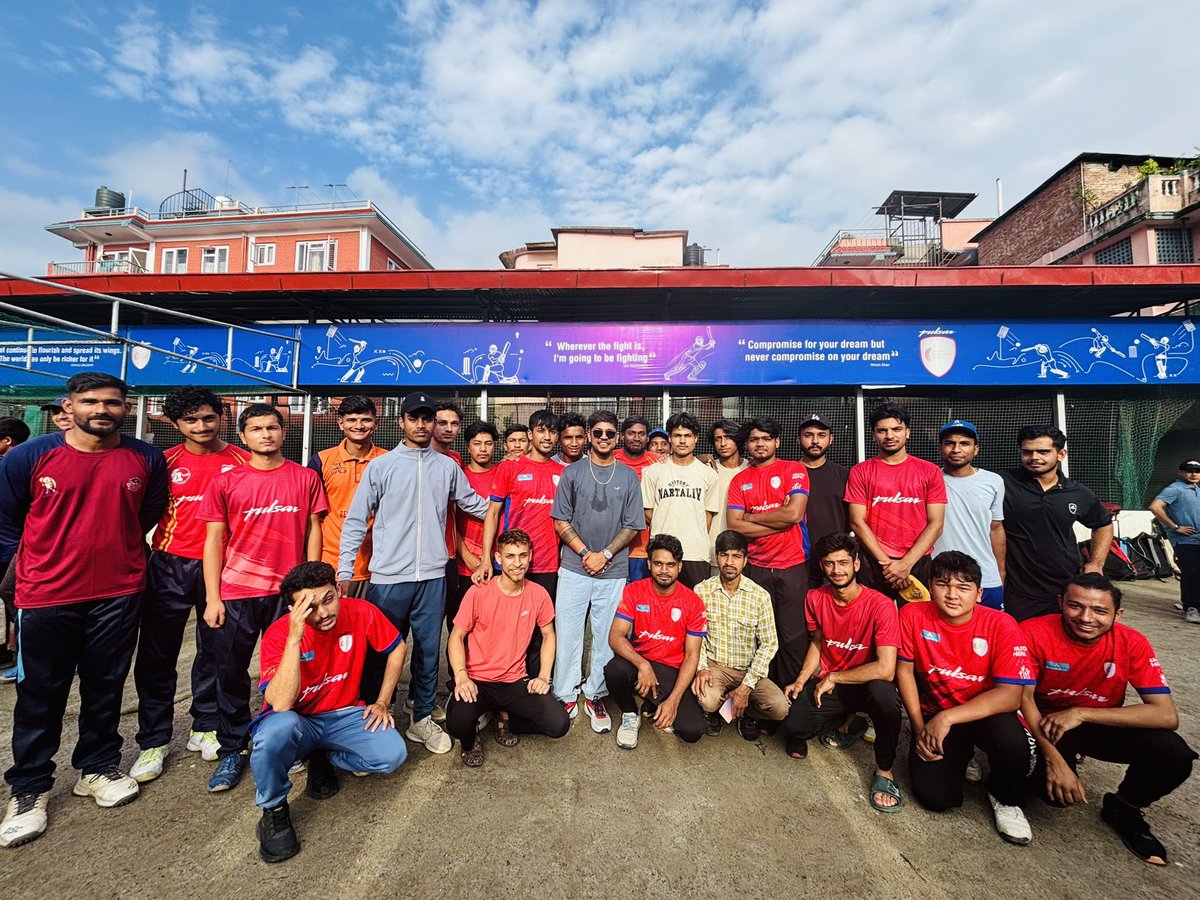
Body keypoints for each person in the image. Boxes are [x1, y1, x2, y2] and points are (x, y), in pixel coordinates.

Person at [0, 372, 167, 848]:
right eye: (90, 400)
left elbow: (146, 516)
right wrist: (31, 569)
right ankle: (29, 789)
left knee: (105, 685)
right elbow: (6, 523)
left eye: (112, 402)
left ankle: (96, 767)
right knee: (39, 695)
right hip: (46, 596)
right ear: (69, 406)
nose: (102, 410)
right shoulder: (29, 457)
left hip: (118, 591)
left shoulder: (145, 458)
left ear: (125, 407)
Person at [339, 391, 489, 755]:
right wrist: (344, 568)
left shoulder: (447, 467)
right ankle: (376, 714)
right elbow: (357, 520)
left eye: (428, 419)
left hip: (434, 577)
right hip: (388, 578)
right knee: (381, 650)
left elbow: (476, 505)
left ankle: (421, 717)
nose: (422, 425)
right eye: (414, 418)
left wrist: (521, 514)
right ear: (401, 421)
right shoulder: (382, 466)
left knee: (427, 651)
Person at [1020, 573, 1197, 866]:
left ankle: (1124, 806)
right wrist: (1054, 760)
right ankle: (1040, 768)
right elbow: (1021, 699)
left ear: (1118, 614)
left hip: (1094, 723)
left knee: (1174, 753)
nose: (1086, 618)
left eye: (1100, 610)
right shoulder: (1032, 632)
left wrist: (1080, 713)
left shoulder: (1133, 642)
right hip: (1045, 725)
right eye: (1075, 606)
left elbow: (1165, 714)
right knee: (1050, 797)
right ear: (1060, 603)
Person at [199, 403, 327, 793]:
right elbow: (213, 541)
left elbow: (314, 530)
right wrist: (212, 597)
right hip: (237, 593)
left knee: (296, 667)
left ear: (284, 432)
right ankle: (232, 749)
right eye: (256, 429)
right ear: (243, 436)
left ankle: (293, 740)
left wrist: (312, 586)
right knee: (231, 673)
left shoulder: (304, 478)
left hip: (287, 596)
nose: (266, 434)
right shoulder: (226, 482)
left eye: (272, 427)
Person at [130, 388, 251, 785]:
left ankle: (207, 724)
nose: (201, 427)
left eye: (208, 418)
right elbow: (145, 515)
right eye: (191, 420)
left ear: (222, 416)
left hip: (225, 566)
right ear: (175, 424)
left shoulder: (242, 461)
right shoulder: (164, 463)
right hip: (170, 564)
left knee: (216, 649)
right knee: (157, 653)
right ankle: (154, 739)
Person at [250, 562, 408, 863]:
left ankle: (325, 755)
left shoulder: (359, 610)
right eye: (309, 607)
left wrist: (383, 701)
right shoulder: (278, 634)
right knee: (273, 733)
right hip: (297, 721)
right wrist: (295, 638)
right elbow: (280, 703)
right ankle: (274, 809)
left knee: (392, 755)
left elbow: (397, 648)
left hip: (343, 714)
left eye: (328, 599)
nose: (323, 613)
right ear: (292, 610)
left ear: (338, 590)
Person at [897, 551, 1037, 846]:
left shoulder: (1002, 624)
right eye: (943, 584)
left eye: (963, 587)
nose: (952, 595)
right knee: (936, 798)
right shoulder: (912, 614)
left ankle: (1006, 798)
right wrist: (920, 727)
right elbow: (905, 673)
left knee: (1014, 744)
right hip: (936, 712)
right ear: (930, 585)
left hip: (985, 714)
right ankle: (962, 756)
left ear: (979, 593)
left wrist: (948, 718)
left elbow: (1011, 696)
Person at [781, 534, 902, 811]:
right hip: (834, 684)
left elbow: (885, 668)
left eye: (843, 563)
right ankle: (849, 723)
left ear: (857, 564)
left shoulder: (881, 605)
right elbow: (818, 642)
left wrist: (834, 677)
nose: (837, 570)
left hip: (867, 683)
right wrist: (801, 679)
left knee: (885, 697)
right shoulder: (815, 598)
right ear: (822, 567)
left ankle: (884, 770)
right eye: (830, 564)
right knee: (792, 726)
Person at [550, 410, 643, 733]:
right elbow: (560, 520)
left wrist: (604, 554)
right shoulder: (572, 473)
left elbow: (633, 524)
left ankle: (595, 694)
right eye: (598, 433)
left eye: (609, 433)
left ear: (617, 437)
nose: (604, 438)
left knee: (606, 637)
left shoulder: (629, 476)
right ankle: (564, 693)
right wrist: (586, 553)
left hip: (613, 569)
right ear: (590, 435)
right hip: (575, 567)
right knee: (569, 633)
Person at [446, 529, 569, 766]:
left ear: (530, 556)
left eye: (522, 555)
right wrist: (461, 677)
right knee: (457, 724)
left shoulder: (538, 594)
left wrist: (543, 676)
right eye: (510, 556)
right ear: (498, 558)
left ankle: (505, 718)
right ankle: (472, 737)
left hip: (514, 681)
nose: (517, 563)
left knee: (558, 724)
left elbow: (548, 634)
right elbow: (456, 637)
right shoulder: (479, 592)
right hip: (478, 680)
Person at [475, 410, 564, 675]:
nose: (547, 437)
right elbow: (492, 513)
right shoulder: (510, 467)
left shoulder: (563, 472)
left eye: (552, 431)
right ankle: (497, 684)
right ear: (529, 434)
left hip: (548, 565)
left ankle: (534, 684)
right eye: (540, 430)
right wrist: (486, 559)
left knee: (541, 630)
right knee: (504, 627)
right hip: (513, 564)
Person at [726, 417, 811, 686]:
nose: (760, 444)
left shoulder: (793, 469)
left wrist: (751, 518)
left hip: (792, 565)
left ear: (777, 442)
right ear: (747, 445)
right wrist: (781, 520)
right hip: (757, 568)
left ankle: (793, 700)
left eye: (765, 438)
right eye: (754, 439)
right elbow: (734, 525)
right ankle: (761, 703)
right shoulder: (740, 480)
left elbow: (795, 512)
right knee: (759, 637)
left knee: (792, 637)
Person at [1000, 425, 1113, 622]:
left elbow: (1103, 523)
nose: (1034, 457)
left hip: (1064, 586)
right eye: (1027, 451)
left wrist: (1096, 562)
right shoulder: (1001, 483)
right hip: (1017, 589)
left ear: (1061, 454)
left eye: (1043, 451)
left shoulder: (1079, 493)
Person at [605, 535, 708, 748]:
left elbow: (692, 656)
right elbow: (615, 636)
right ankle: (630, 713)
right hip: (640, 663)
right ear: (649, 564)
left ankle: (655, 703)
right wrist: (642, 664)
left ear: (680, 566)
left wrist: (673, 701)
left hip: (671, 670)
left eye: (670, 565)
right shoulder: (634, 591)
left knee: (692, 731)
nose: (664, 570)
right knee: (614, 670)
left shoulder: (693, 602)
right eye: (658, 563)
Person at [845, 403, 946, 604]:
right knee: (874, 625)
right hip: (874, 563)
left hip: (917, 562)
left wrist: (906, 564)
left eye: (896, 429)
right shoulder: (860, 472)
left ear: (907, 432)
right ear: (873, 434)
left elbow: (936, 523)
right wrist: (887, 564)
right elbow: (857, 522)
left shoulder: (930, 471)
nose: (889, 435)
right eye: (882, 430)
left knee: (916, 625)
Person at [691, 530, 786, 739]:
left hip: (749, 669)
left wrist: (747, 685)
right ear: (717, 557)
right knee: (706, 699)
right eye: (724, 555)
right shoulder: (701, 591)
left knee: (779, 708)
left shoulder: (760, 596)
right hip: (716, 667)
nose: (729, 562)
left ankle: (747, 713)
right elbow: (696, 636)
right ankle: (715, 711)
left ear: (745, 560)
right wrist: (702, 668)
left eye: (736, 556)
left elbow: (770, 643)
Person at [308, 396, 387, 600]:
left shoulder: (389, 461)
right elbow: (312, 519)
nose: (359, 426)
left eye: (365, 420)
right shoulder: (321, 461)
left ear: (376, 424)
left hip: (378, 565)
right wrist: (313, 564)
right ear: (340, 423)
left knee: (370, 628)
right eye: (351, 420)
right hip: (331, 564)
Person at [934, 421, 1006, 610]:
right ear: (941, 448)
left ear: (976, 449)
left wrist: (1000, 572)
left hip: (986, 576)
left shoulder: (993, 481)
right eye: (950, 443)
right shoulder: (928, 479)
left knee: (988, 635)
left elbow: (996, 528)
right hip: (941, 577)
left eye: (964, 443)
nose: (956, 449)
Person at [642, 412, 720, 589]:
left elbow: (707, 516)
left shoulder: (709, 475)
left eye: (687, 436)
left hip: (696, 553)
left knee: (693, 607)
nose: (682, 441)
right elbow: (648, 512)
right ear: (670, 438)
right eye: (677, 435)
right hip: (662, 554)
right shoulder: (653, 472)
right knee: (660, 608)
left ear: (696, 439)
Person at [449, 421, 499, 678]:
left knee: (491, 627)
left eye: (488, 443)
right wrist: (465, 554)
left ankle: (489, 681)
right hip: (463, 564)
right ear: (467, 446)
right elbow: (450, 520)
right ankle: (457, 682)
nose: (483, 449)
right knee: (461, 626)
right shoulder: (458, 475)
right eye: (477, 443)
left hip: (494, 564)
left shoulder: (503, 473)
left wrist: (489, 558)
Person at [1148, 459, 1200, 624]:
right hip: (1186, 540)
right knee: (1192, 573)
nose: (1193, 474)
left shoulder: (1196, 489)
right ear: (1181, 472)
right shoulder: (1175, 489)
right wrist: (1175, 526)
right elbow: (1155, 507)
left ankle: (1188, 603)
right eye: (1189, 471)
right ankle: (1192, 608)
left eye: (1197, 471)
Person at [796, 414, 849, 564]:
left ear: (830, 439)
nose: (815, 441)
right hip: (796, 559)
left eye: (821, 435)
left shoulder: (845, 475)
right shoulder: (787, 473)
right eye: (808, 435)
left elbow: (854, 520)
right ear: (798, 439)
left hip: (834, 558)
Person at [614, 416, 659, 582]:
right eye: (631, 433)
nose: (636, 438)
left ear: (647, 437)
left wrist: (702, 458)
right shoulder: (611, 458)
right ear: (622, 436)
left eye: (641, 434)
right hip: (615, 545)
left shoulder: (657, 461)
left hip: (644, 547)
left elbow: (680, 463)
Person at [706, 419, 747, 572]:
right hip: (712, 551)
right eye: (718, 438)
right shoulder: (707, 469)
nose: (723, 443)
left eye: (728, 437)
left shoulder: (750, 469)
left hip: (743, 552)